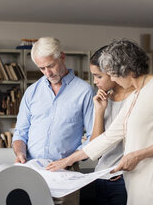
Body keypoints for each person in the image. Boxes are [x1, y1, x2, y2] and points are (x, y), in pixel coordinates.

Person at [46, 39, 153, 205]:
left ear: (128, 70)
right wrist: (68, 160)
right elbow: (109, 136)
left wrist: (137, 155)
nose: (113, 80)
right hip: (136, 185)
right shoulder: (137, 94)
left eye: (114, 74)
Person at [12, 37, 94, 205]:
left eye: (50, 66)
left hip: (65, 173)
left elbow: (94, 138)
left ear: (62, 57)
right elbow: (20, 132)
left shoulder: (84, 91)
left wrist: (67, 161)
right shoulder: (31, 92)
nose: (47, 73)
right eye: (42, 68)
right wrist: (19, 152)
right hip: (32, 171)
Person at [87, 46, 134, 205]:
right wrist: (99, 112)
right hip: (101, 177)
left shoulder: (134, 98)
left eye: (98, 76)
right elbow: (96, 147)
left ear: (112, 72)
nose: (95, 81)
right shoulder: (103, 99)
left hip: (123, 180)